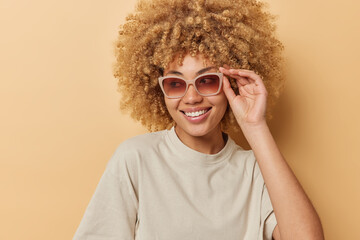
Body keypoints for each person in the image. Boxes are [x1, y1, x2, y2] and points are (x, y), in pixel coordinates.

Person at [74, 0, 324, 239]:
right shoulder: (136, 159)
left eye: (207, 80)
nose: (191, 97)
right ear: (158, 89)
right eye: (175, 84)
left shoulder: (258, 171)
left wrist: (255, 126)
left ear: (231, 82)